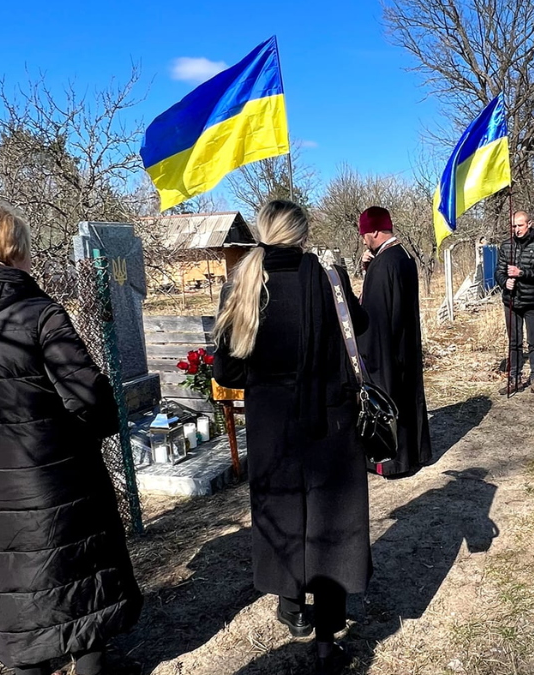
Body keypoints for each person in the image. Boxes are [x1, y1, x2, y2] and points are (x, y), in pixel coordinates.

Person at [0, 200, 142, 675]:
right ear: (9, 248)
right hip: (57, 475)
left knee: (14, 587)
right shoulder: (39, 314)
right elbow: (90, 396)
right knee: (80, 577)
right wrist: (84, 432)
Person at [212, 200, 369, 672]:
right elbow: (359, 327)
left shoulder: (242, 283)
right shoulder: (327, 276)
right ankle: (326, 642)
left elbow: (227, 371)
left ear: (263, 231)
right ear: (302, 233)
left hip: (272, 424)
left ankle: (292, 606)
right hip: (330, 420)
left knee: (283, 511)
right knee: (330, 525)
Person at [356, 206, 433, 477]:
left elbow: (373, 317)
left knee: (388, 400)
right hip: (404, 342)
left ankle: (392, 461)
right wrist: (368, 270)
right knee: (407, 395)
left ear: (375, 231)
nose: (363, 240)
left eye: (364, 234)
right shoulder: (403, 256)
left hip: (386, 348)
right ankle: (414, 454)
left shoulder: (383, 264)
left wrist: (363, 351)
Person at [495, 210, 534, 396]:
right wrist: (505, 282)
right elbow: (499, 271)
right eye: (513, 226)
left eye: (520, 225)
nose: (517, 229)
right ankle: (514, 379)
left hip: (533, 302)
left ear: (529, 224)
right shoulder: (506, 246)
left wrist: (521, 273)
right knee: (514, 342)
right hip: (511, 301)